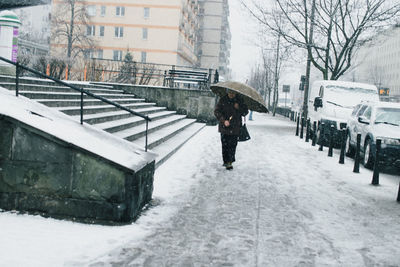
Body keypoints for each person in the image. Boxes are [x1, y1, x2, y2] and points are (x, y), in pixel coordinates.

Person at [214, 89, 249, 170]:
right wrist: (224, 120)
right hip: (224, 127)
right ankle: (226, 161)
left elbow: (245, 112)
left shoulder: (240, 100)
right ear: (227, 92)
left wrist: (239, 107)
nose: (231, 94)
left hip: (235, 128)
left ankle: (230, 162)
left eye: (233, 93)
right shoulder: (223, 100)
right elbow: (216, 111)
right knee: (225, 145)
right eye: (230, 93)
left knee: (233, 145)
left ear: (236, 93)